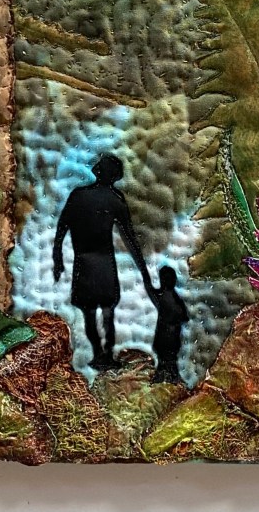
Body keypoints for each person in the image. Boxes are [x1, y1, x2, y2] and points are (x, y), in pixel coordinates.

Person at [53, 154, 152, 370]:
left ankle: (99, 353)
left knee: (89, 312)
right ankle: (105, 355)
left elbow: (62, 227)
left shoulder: (79, 195)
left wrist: (57, 257)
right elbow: (130, 238)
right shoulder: (115, 199)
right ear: (114, 176)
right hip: (103, 264)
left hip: (85, 263)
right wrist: (143, 270)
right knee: (108, 312)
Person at [148, 265, 188, 384]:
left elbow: (183, 316)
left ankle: (168, 378)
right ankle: (167, 378)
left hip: (170, 336)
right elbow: (183, 316)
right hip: (166, 336)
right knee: (166, 361)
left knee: (167, 361)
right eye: (168, 279)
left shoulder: (171, 297)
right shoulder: (168, 297)